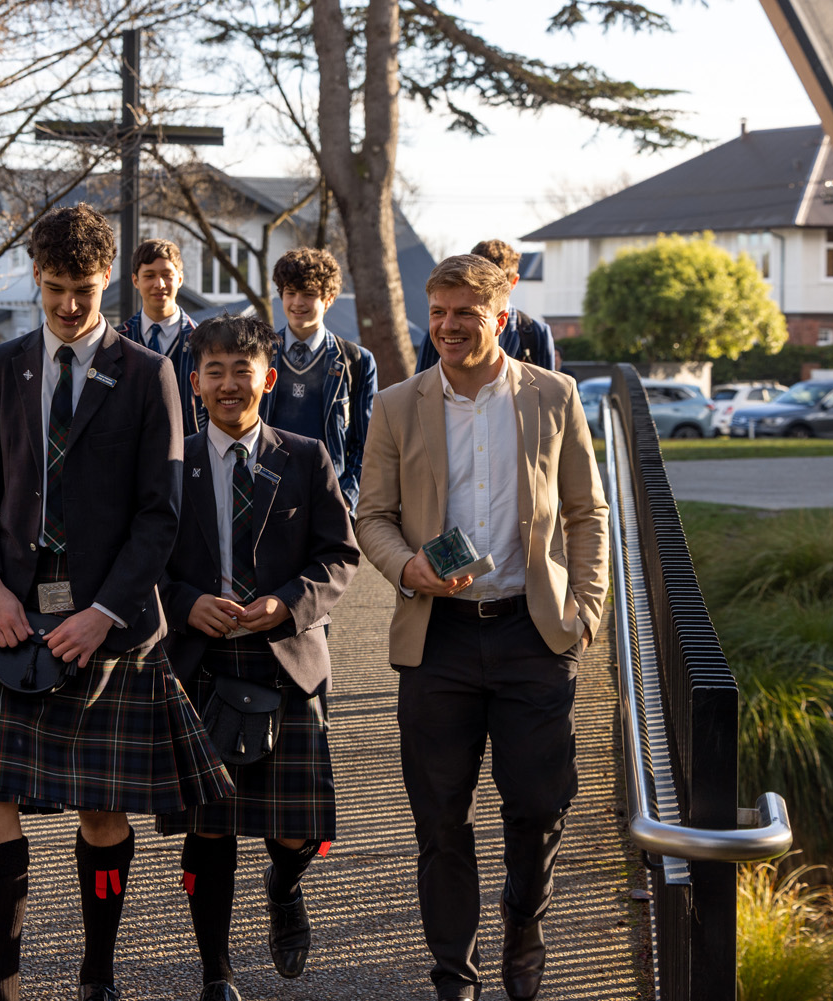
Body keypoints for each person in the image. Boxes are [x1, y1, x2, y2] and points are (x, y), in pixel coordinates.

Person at [0, 204, 234, 1001]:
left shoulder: (149, 373)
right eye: (57, 287)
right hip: (17, 621)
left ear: (110, 283)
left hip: (112, 628)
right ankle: (3, 984)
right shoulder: (0, 369)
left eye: (86, 289)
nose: (70, 304)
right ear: (37, 277)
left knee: (103, 811)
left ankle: (96, 973)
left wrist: (103, 612)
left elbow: (160, 512)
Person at [355, 254, 609, 1001]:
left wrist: (587, 608)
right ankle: (453, 976)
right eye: (438, 312)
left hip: (534, 633)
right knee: (440, 819)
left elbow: (586, 513)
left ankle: (524, 922)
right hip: (439, 639)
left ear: (501, 316)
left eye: (465, 312)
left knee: (539, 805)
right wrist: (408, 569)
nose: (448, 326)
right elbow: (373, 516)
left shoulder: (552, 395)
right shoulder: (399, 404)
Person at [158, 314, 360, 1001]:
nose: (227, 384)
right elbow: (142, 562)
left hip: (286, 660)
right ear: (195, 384)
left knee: (295, 828)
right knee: (209, 831)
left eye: (241, 371)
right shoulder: (169, 463)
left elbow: (340, 556)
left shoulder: (305, 457)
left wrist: (286, 602)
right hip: (200, 667)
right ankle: (217, 973)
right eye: (213, 371)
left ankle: (285, 881)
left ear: (267, 379)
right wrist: (184, 602)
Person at [260, 247, 376, 514]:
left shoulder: (356, 361)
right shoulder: (259, 355)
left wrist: (346, 497)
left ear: (329, 299)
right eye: (290, 293)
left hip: (328, 500)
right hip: (266, 496)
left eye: (309, 294)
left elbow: (367, 444)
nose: (297, 302)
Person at [414, 239, 555, 373]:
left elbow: (546, 390)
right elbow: (422, 386)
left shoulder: (534, 333)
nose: (449, 326)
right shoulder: (441, 329)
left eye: (465, 313)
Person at [116, 238, 202, 435]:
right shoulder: (117, 341)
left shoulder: (203, 342)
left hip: (188, 453)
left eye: (167, 275)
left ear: (180, 279)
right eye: (149, 275)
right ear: (135, 281)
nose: (159, 283)